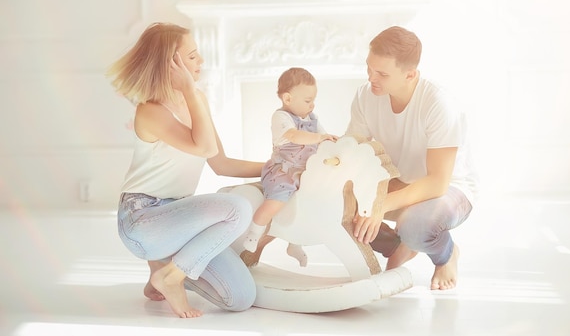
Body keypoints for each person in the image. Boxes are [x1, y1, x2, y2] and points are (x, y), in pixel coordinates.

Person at [107, 22, 262, 318]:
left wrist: (275, 166)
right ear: (171, 64)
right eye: (192, 56)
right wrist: (190, 90)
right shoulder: (150, 110)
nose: (201, 61)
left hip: (179, 220)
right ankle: (170, 276)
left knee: (241, 297)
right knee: (237, 209)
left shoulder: (197, 100)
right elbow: (203, 148)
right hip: (143, 219)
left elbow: (221, 163)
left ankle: (164, 271)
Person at [346, 26, 478, 291]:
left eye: (382, 73)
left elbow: (437, 182)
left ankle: (446, 254)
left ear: (410, 75)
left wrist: (379, 205)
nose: (372, 78)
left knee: (416, 227)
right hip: (397, 183)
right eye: (369, 68)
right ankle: (399, 245)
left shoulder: (438, 104)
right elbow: (352, 153)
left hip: (449, 190)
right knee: (337, 201)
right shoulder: (365, 95)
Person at [242, 67, 338, 265]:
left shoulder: (312, 118)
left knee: (311, 203)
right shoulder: (281, 118)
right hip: (282, 172)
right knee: (275, 202)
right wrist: (319, 137)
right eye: (307, 101)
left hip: (304, 173)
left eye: (313, 100)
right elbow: (295, 136)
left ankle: (295, 242)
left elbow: (324, 138)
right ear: (287, 99)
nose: (312, 105)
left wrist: (333, 143)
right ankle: (254, 232)